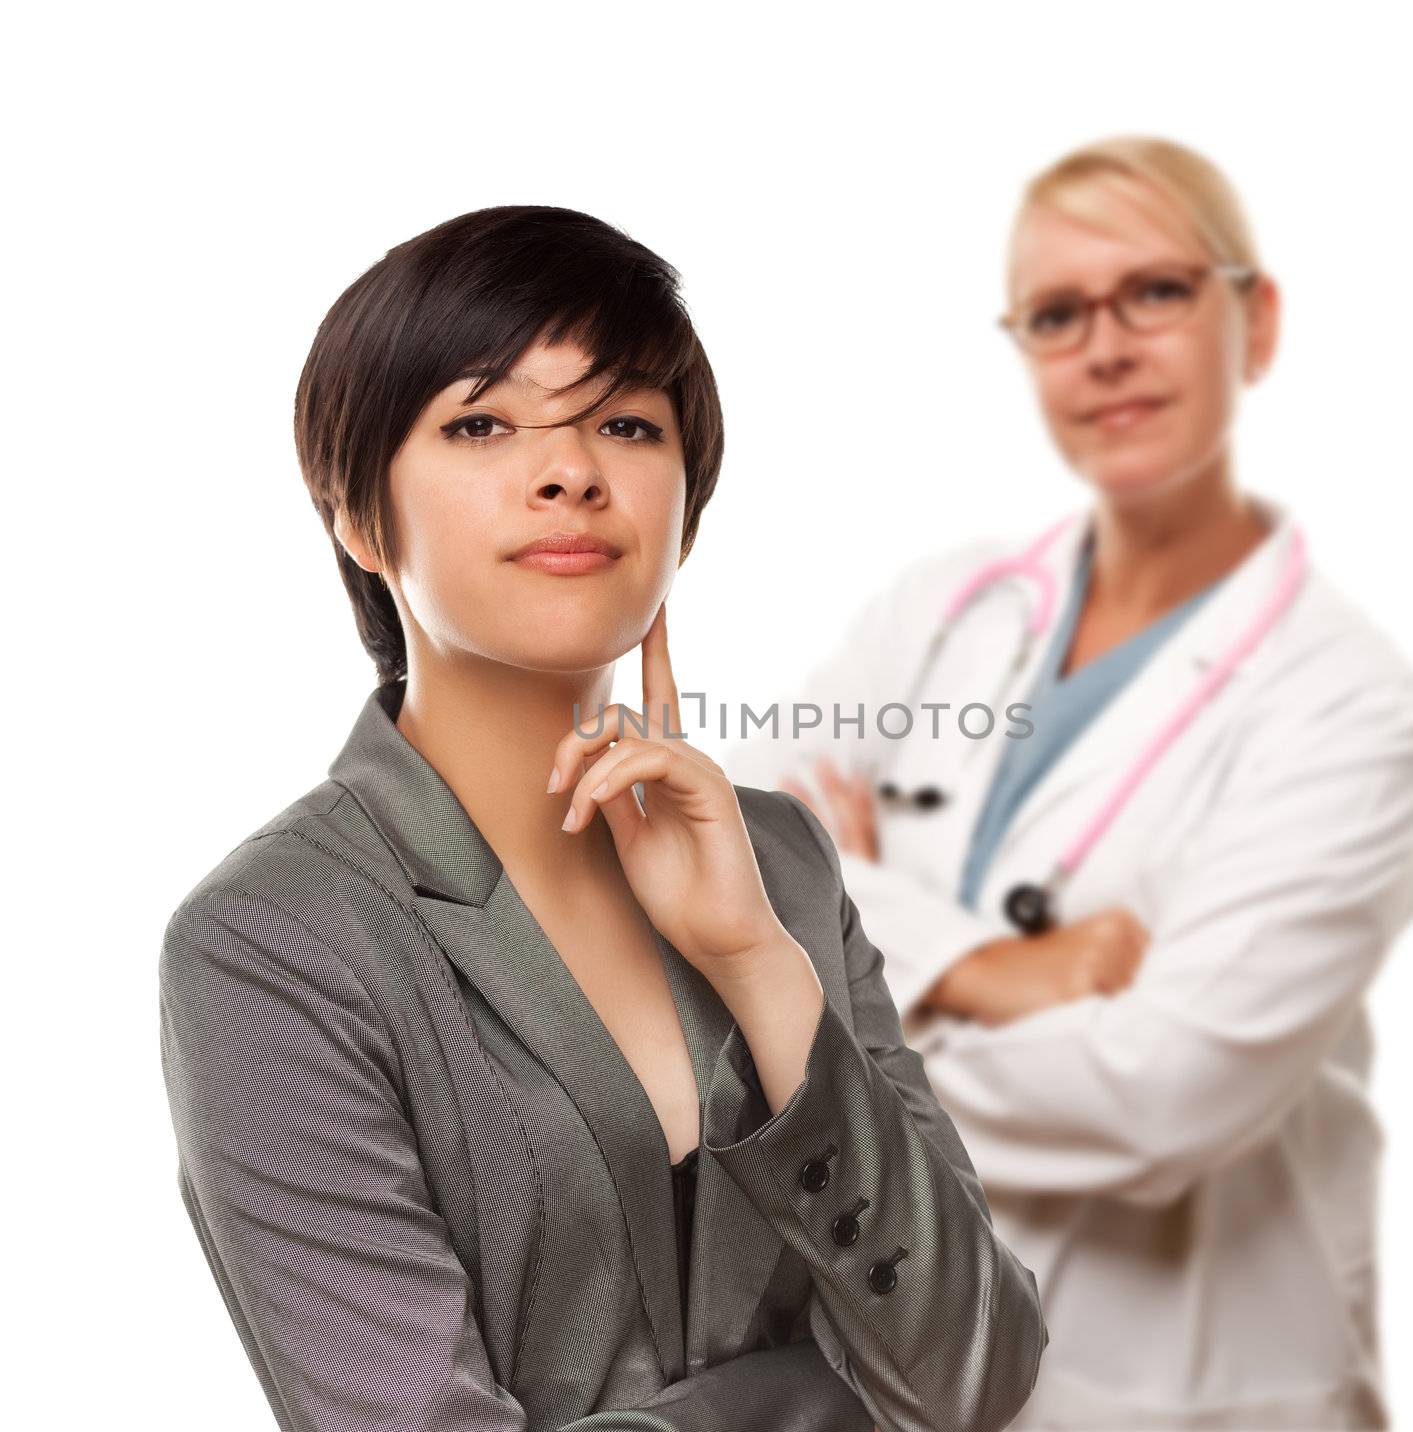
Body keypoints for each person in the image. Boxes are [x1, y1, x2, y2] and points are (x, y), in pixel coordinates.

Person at [156, 205, 1047, 1432]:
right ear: (360, 520)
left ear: (685, 506)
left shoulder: (775, 861)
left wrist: (753, 960)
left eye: (625, 423)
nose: (571, 470)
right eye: (480, 423)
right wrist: (802, 1402)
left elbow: (976, 1374)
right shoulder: (274, 940)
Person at [722, 137, 1413, 1429]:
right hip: (895, 1361)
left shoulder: (1348, 705)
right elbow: (739, 844)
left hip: (1179, 1386)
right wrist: (990, 973)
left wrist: (826, 1008)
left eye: (1155, 292)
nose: (1104, 347)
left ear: (1256, 320)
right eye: (1057, 315)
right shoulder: (946, 609)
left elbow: (1160, 1098)